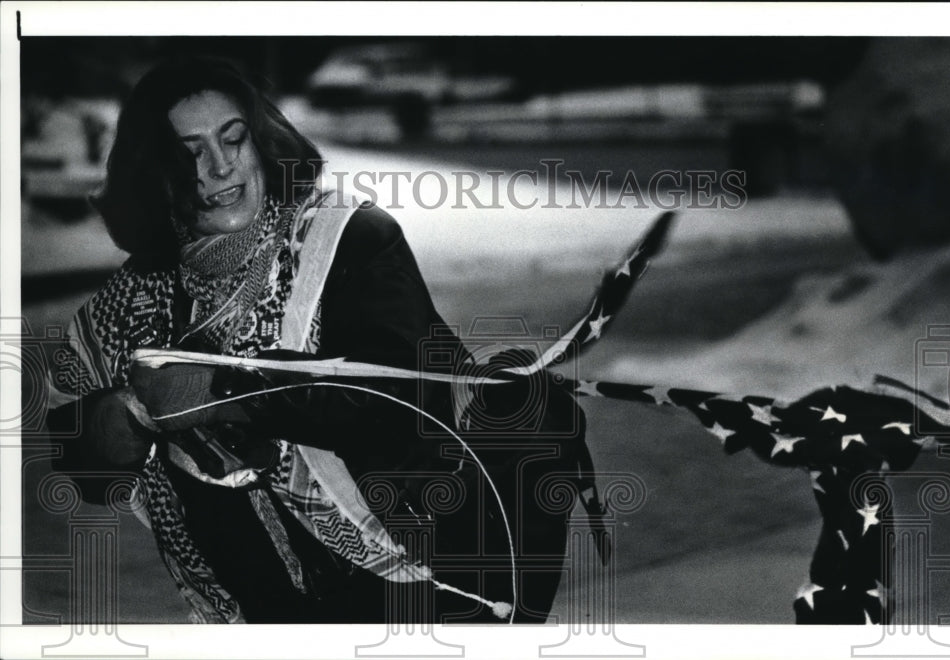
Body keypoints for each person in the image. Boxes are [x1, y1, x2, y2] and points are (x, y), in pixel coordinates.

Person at [45, 56, 585, 624]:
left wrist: (230, 389)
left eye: (234, 139)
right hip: (256, 609)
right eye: (189, 151)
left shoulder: (347, 239)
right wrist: (120, 422)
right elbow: (76, 453)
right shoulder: (131, 298)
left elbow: (405, 404)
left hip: (412, 582)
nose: (218, 168)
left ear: (260, 142)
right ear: (153, 167)